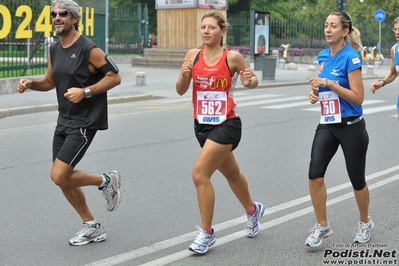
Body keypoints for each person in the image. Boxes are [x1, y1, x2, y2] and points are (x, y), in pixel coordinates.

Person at [17, 0, 122, 246]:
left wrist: (85, 92)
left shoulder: (89, 49)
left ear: (74, 18)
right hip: (63, 120)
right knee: (63, 179)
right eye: (54, 14)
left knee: (58, 175)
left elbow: (114, 77)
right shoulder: (54, 49)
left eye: (63, 14)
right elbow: (50, 82)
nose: (57, 18)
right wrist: (31, 83)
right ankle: (92, 226)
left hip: (85, 121)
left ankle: (106, 180)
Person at [175, 10, 265, 254]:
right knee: (233, 174)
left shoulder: (232, 57)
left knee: (199, 174)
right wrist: (184, 75)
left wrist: (248, 80)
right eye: (203, 27)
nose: (206, 31)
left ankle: (207, 233)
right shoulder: (193, 55)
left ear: (222, 31)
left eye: (211, 27)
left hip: (227, 125)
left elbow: (251, 81)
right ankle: (252, 210)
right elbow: (181, 90)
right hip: (202, 126)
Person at [306, 11, 373, 247]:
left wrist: (329, 84)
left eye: (333, 26)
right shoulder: (323, 55)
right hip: (328, 124)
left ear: (344, 32)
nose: (328, 29)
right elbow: (324, 88)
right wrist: (316, 93)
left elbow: (358, 98)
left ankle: (365, 223)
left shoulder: (351, 57)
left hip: (351, 126)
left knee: (357, 180)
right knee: (315, 174)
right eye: (326, 25)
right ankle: (322, 225)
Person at [370, 16, 399, 117]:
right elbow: (394, 72)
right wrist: (382, 82)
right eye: (395, 29)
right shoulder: (394, 50)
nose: (397, 32)